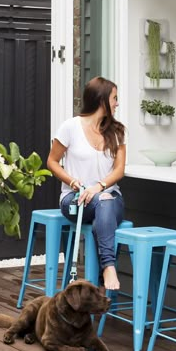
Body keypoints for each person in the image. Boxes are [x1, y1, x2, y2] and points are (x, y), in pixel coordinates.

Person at [47, 76, 126, 291]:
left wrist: (99, 187)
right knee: (103, 202)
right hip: (76, 199)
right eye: (114, 98)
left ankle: (107, 265)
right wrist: (72, 181)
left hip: (108, 198)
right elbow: (52, 162)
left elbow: (119, 170)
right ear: (102, 101)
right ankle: (108, 266)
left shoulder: (117, 131)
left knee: (105, 200)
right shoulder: (70, 127)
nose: (117, 103)